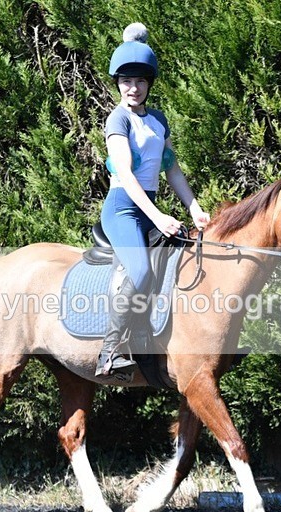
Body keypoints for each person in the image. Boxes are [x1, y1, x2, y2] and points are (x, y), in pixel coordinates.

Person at [96, 23, 211, 378]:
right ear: (118, 84)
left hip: (148, 209)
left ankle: (151, 339)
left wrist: (194, 207)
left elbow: (171, 169)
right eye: (127, 81)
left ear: (149, 84)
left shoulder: (158, 120)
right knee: (142, 270)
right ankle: (110, 351)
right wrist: (160, 216)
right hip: (123, 208)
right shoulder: (118, 119)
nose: (134, 87)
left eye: (141, 81)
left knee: (187, 258)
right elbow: (127, 176)